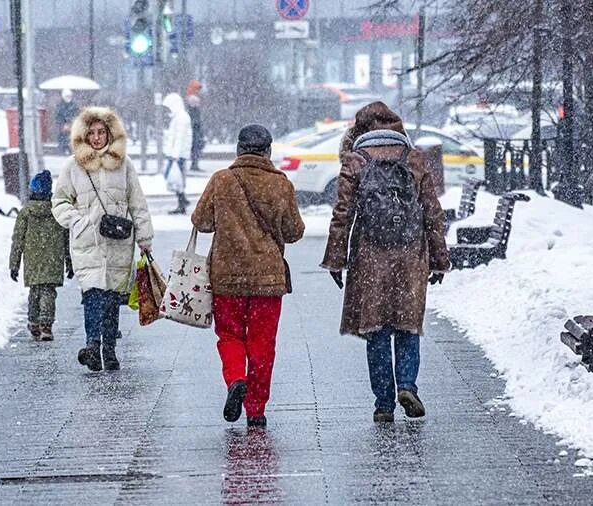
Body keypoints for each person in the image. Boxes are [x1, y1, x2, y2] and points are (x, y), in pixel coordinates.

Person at [320, 102, 450, 423]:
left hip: (370, 258)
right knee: (407, 325)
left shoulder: (356, 161)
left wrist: (336, 259)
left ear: (360, 130)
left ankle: (383, 403)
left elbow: (342, 215)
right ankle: (407, 384)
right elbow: (433, 214)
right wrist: (439, 260)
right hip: (410, 258)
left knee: (376, 330)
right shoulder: (414, 159)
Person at [191, 124, 305, 428]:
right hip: (268, 281)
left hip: (227, 278)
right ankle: (255, 409)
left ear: (239, 150)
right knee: (262, 343)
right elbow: (295, 232)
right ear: (268, 151)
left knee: (229, 335)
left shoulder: (222, 180)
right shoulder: (281, 184)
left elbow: (201, 221)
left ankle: (235, 379)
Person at [52, 107, 153, 371]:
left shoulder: (124, 165)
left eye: (101, 132)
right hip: (88, 243)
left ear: (110, 133)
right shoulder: (73, 166)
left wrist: (145, 237)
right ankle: (92, 345)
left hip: (118, 242)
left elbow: (137, 203)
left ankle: (109, 349)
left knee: (111, 299)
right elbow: (60, 201)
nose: (97, 138)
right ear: (84, 136)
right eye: (92, 133)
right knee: (92, 294)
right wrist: (78, 222)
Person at [10, 171, 73, 341]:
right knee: (48, 293)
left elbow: (18, 240)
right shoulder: (57, 213)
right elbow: (67, 239)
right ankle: (46, 326)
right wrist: (70, 262)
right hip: (53, 259)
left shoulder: (26, 213)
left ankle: (33, 322)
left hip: (33, 259)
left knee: (35, 291)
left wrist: (14, 265)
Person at [162, 92, 192, 214]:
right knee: (174, 178)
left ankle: (182, 202)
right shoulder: (178, 117)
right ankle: (182, 200)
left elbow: (180, 137)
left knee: (176, 179)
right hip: (176, 154)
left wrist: (175, 154)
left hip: (178, 155)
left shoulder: (181, 118)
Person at [185, 80, 206, 173]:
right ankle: (194, 164)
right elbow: (195, 115)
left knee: (196, 146)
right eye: (197, 89)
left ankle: (194, 163)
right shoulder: (193, 99)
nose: (199, 91)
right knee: (196, 145)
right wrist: (197, 125)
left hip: (194, 127)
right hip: (195, 127)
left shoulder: (190, 98)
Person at [55, 88, 79, 156]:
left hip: (72, 125)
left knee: (71, 137)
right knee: (63, 137)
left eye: (69, 96)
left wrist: (71, 122)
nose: (68, 98)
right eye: (67, 96)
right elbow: (58, 116)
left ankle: (70, 150)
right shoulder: (60, 105)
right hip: (62, 126)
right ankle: (63, 149)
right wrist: (62, 124)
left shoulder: (74, 105)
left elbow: (76, 114)